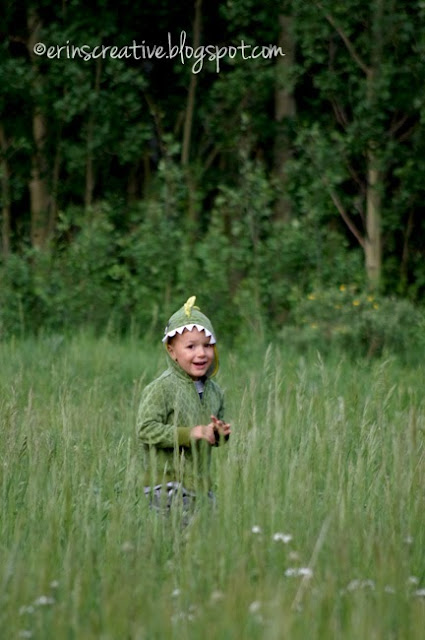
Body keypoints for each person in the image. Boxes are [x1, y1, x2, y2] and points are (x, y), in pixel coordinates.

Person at [137, 295, 231, 516]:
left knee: (206, 531)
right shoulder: (162, 388)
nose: (201, 353)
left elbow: (210, 436)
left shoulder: (215, 392)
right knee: (177, 533)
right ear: (172, 351)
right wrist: (189, 433)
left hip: (200, 486)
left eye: (207, 345)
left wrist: (218, 434)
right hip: (167, 485)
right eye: (191, 347)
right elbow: (145, 429)